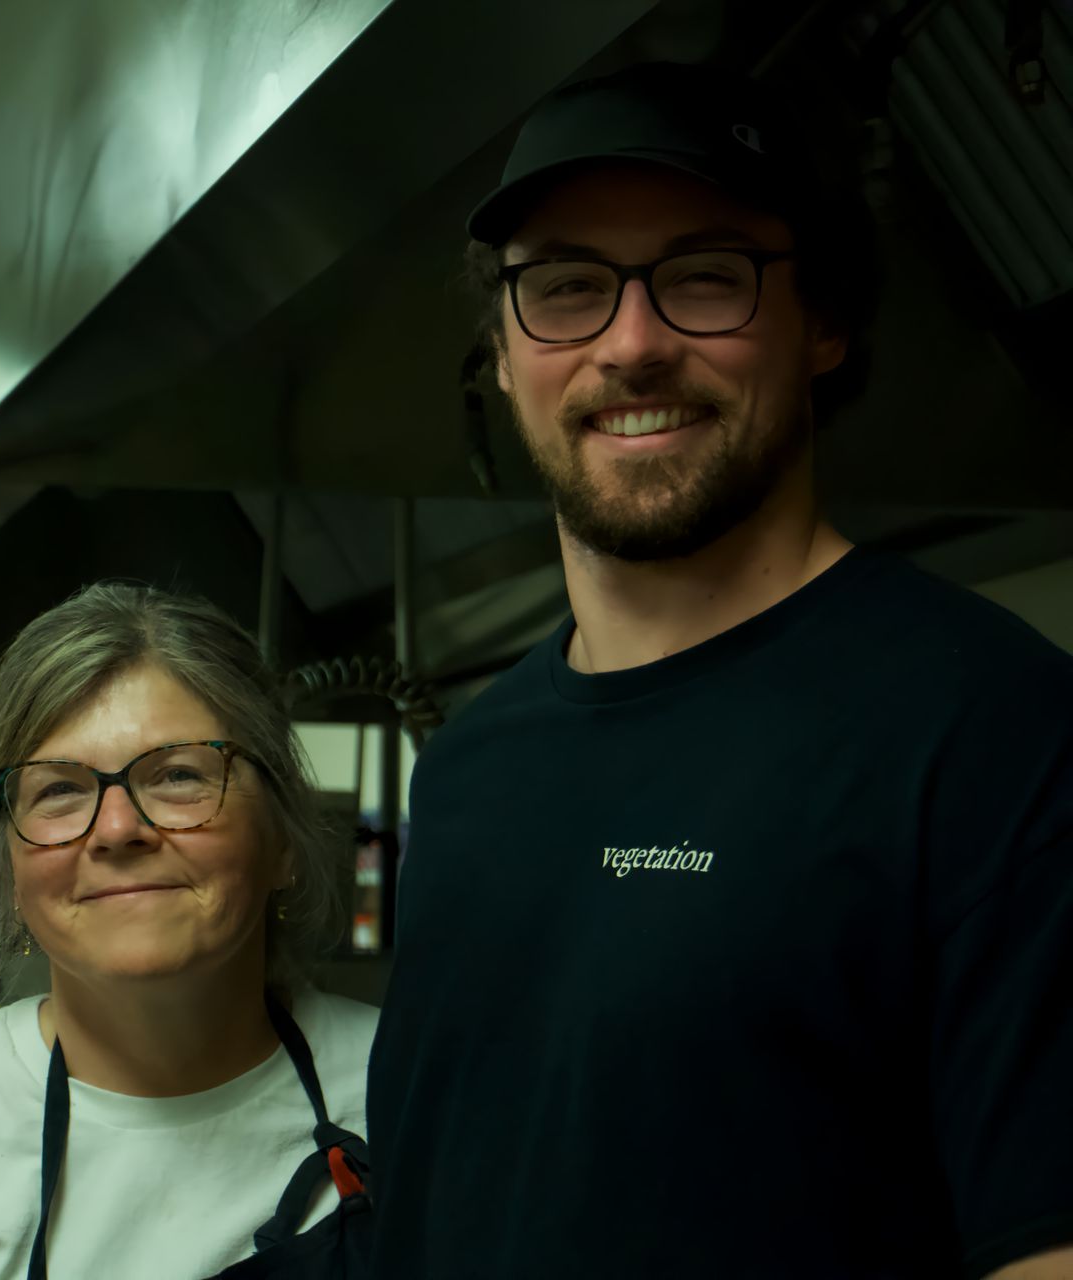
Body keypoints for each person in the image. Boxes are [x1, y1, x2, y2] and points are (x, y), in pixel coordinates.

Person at [365, 61, 1073, 1278]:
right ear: (503, 350)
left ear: (826, 323)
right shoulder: (473, 772)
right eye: (567, 287)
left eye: (704, 277)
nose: (631, 344)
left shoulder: (993, 729)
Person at [0, 583, 379, 1278]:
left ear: (284, 843)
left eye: (179, 775)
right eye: (60, 789)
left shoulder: (415, 1097)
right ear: (11, 873)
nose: (119, 829)